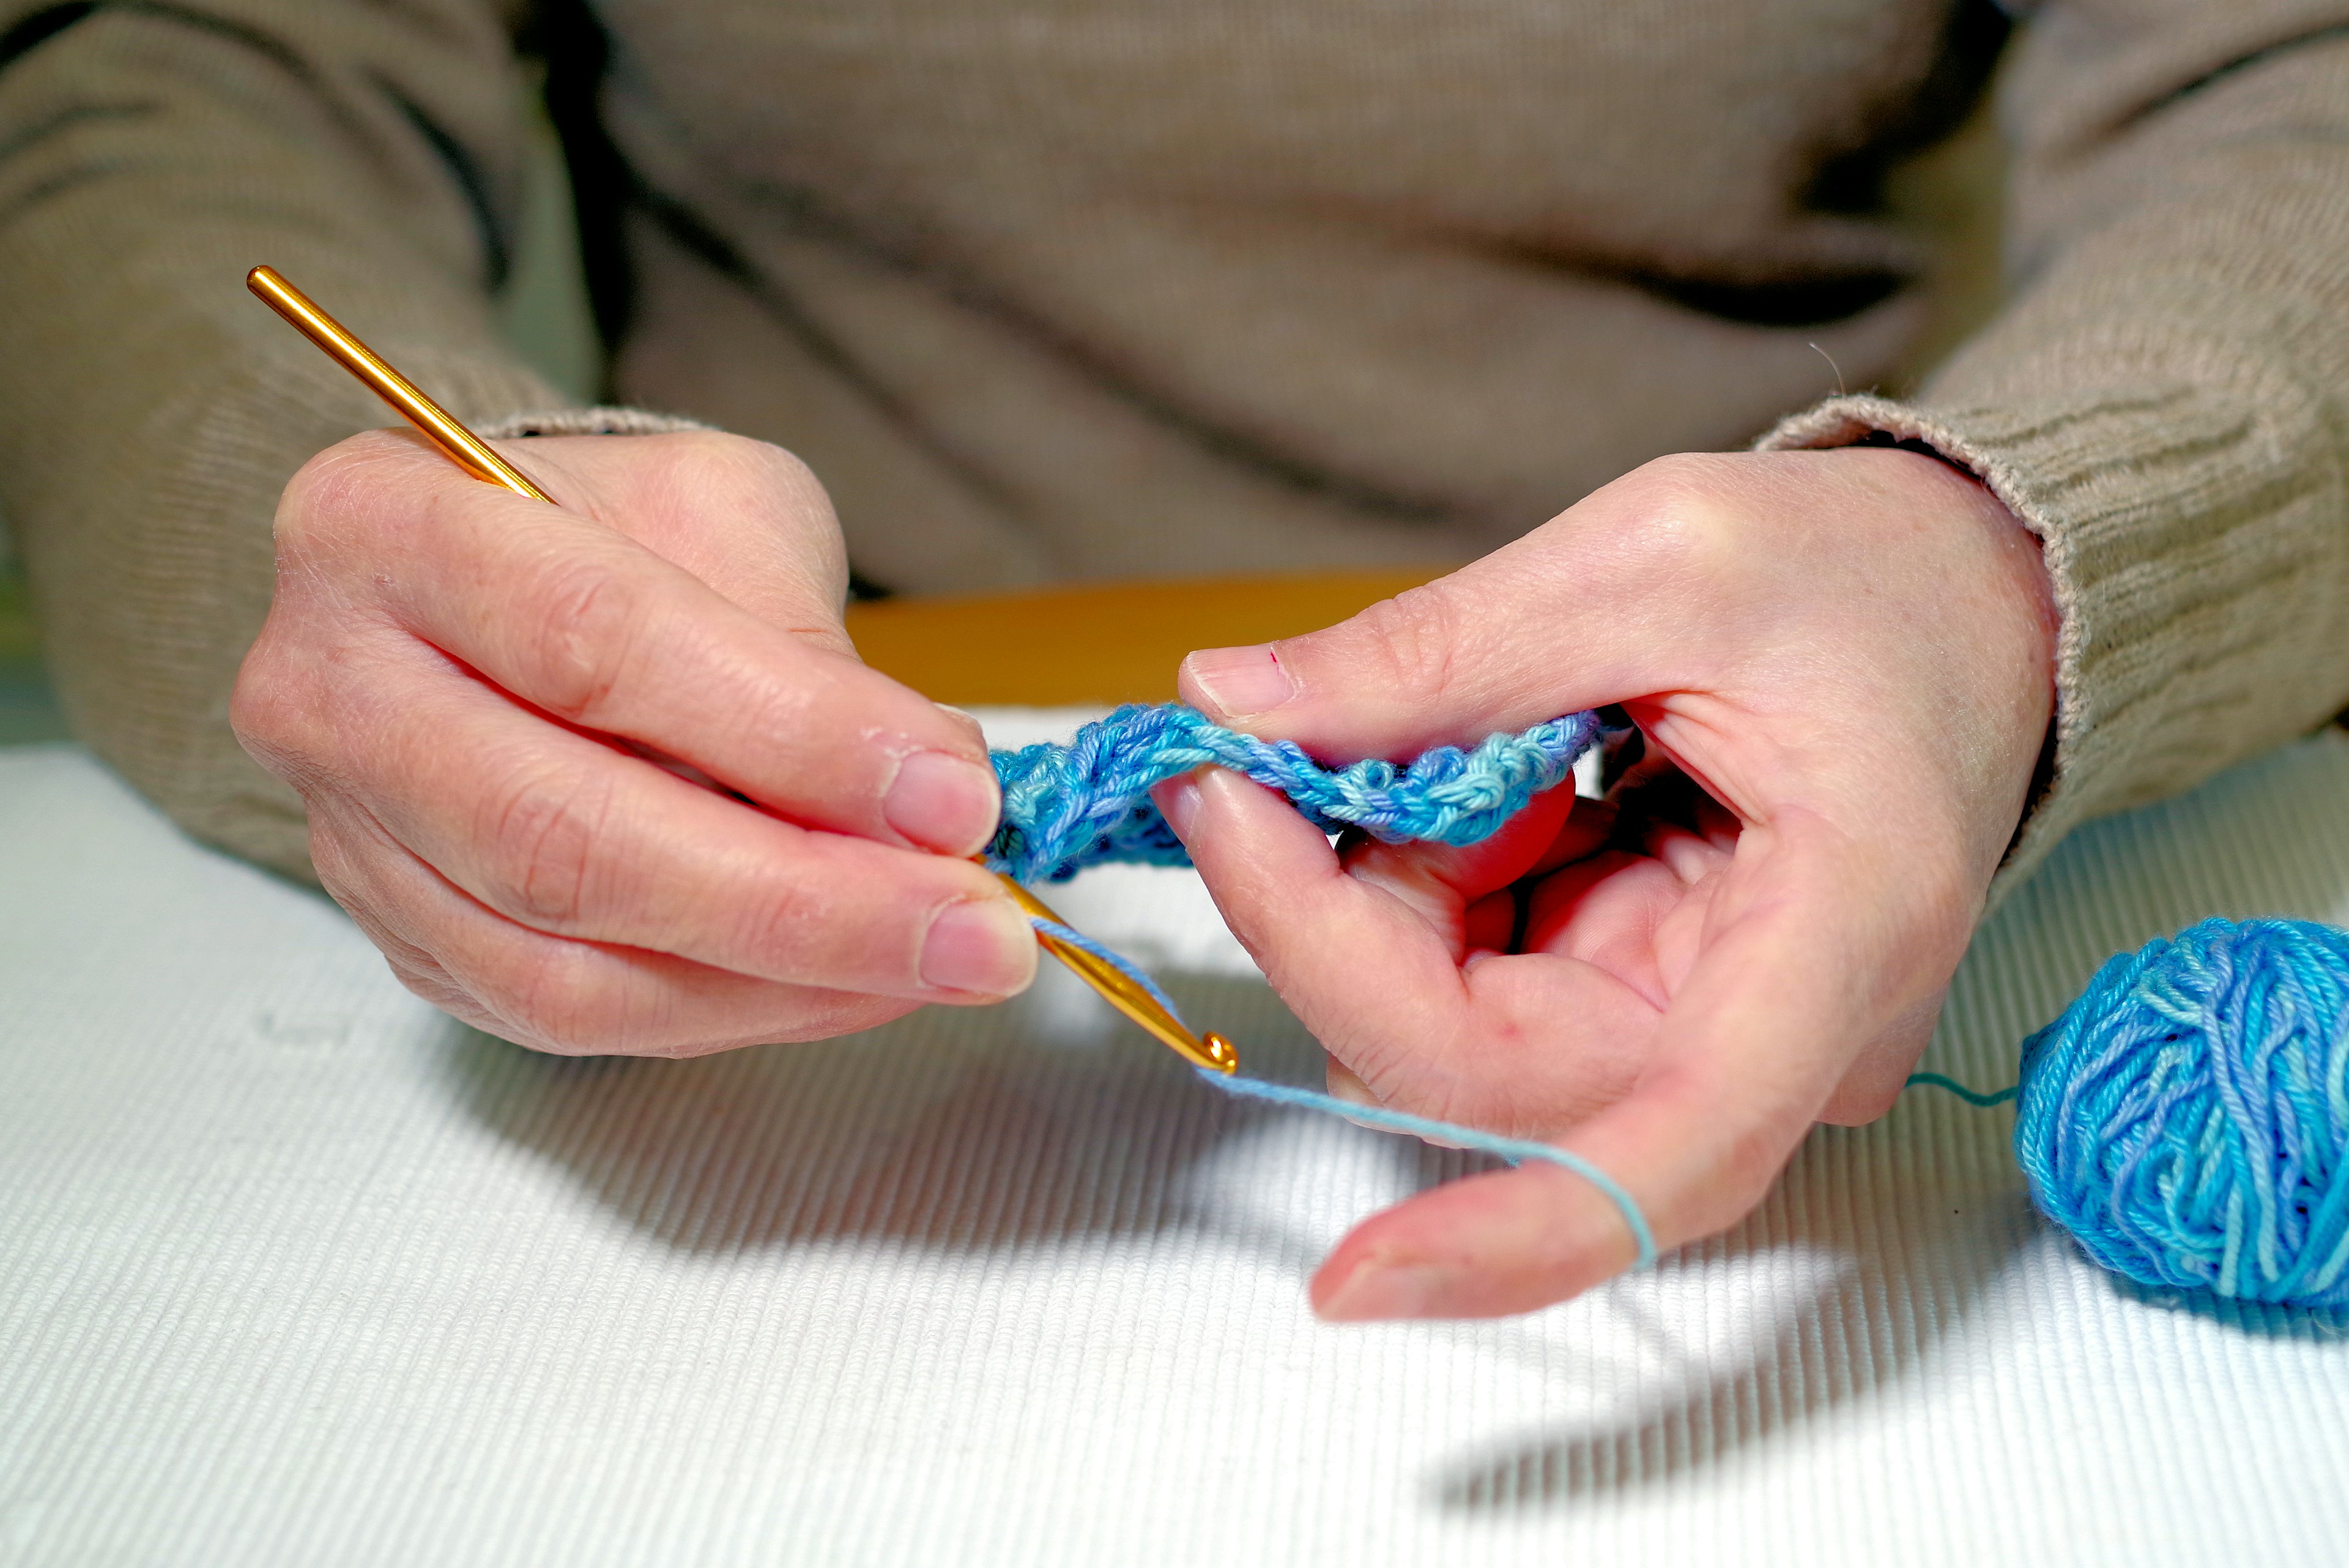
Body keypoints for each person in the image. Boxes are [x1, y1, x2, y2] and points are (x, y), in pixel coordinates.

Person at [1, 0, 2343, 1319]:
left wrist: (1997, 554)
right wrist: (431, 561)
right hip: (812, 695)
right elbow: (173, 80)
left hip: (1767, 733)